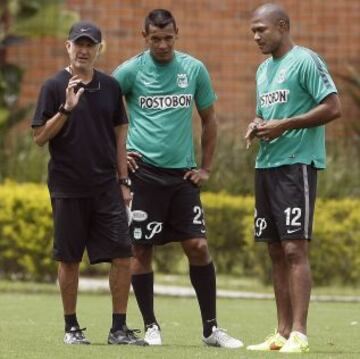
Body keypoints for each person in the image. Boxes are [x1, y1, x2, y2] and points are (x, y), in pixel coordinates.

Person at [112, 9, 243, 348]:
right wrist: (119, 159)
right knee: (141, 250)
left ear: (177, 33)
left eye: (168, 37)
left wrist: (206, 168)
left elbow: (210, 120)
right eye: (155, 39)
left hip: (183, 176)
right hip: (144, 175)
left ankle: (211, 329)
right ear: (145, 37)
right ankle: (151, 325)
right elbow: (103, 117)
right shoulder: (129, 71)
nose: (162, 45)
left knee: (198, 246)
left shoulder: (193, 69)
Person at [32, 21, 147, 346]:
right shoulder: (53, 86)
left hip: (106, 190)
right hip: (67, 189)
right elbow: (40, 137)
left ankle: (119, 329)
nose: (83, 50)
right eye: (78, 44)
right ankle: (71, 327)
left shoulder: (110, 87)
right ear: (68, 46)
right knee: (69, 259)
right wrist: (66, 109)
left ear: (99, 48)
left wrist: (124, 182)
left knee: (123, 255)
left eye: (90, 44)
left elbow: (120, 139)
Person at [245, 3, 341, 354]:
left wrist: (283, 125)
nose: (256, 36)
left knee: (293, 248)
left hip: (296, 165)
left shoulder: (306, 60)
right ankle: (281, 332)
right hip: (266, 166)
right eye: (253, 31)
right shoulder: (262, 70)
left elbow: (333, 107)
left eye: (261, 30)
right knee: (273, 249)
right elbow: (266, 113)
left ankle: (300, 333)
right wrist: (256, 125)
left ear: (282, 26)